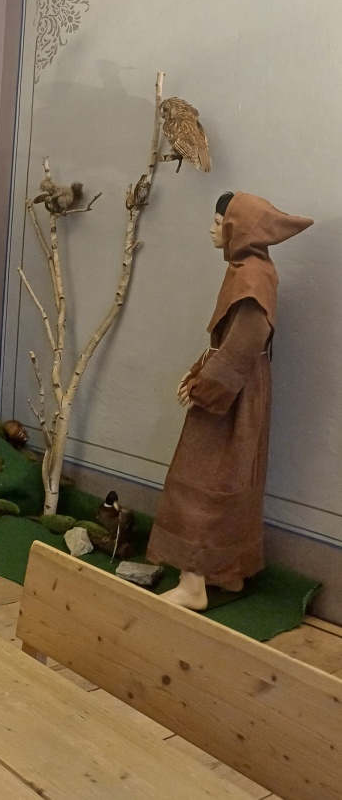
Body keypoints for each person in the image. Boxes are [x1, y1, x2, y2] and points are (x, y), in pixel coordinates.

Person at [147, 192, 312, 610]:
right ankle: (229, 572)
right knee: (233, 476)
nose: (211, 228)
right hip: (241, 384)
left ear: (238, 228)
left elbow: (245, 342)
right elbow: (232, 342)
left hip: (234, 391)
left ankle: (193, 584)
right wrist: (199, 369)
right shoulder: (250, 270)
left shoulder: (252, 277)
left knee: (203, 476)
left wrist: (205, 386)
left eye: (219, 221)